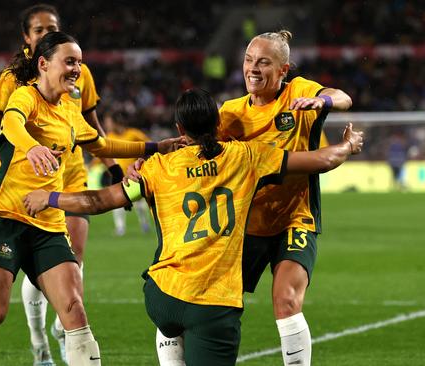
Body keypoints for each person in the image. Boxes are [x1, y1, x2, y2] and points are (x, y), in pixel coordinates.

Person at [23, 88, 362, 366]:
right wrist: (348, 145)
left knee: (170, 321)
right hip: (213, 304)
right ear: (219, 123)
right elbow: (322, 160)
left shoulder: (157, 167)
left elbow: (97, 201)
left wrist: (50, 198)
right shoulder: (245, 157)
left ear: (179, 128)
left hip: (162, 297)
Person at [0, 31, 181, 366]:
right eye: (70, 61)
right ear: (43, 64)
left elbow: (101, 144)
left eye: (80, 63)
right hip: (6, 217)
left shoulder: (69, 109)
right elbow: (11, 123)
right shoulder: (25, 96)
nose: (76, 69)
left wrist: (156, 146)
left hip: (49, 225)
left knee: (74, 312)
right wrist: (32, 147)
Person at [151, 30, 354, 365]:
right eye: (248, 60)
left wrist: (324, 102)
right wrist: (146, 164)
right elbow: (193, 150)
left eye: (264, 62)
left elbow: (342, 96)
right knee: (192, 295)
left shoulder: (299, 93)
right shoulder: (229, 114)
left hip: (294, 219)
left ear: (283, 70)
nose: (253, 68)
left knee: (286, 300)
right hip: (243, 227)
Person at [0, 4, 123, 364]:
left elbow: (92, 127)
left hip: (71, 169)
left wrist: (112, 164)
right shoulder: (14, 80)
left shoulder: (79, 72)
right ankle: (41, 346)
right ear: (27, 38)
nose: (43, 34)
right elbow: (0, 122)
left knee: (73, 264)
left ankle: (65, 328)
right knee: (24, 284)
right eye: (37, 30)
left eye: (50, 28)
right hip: (28, 176)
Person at [103, 110, 151, 236]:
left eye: (109, 122)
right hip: (118, 177)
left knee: (140, 203)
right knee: (117, 203)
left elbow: (149, 144)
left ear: (115, 122)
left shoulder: (133, 134)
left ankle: (145, 224)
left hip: (134, 175)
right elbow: (102, 154)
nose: (107, 124)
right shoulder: (109, 136)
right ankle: (120, 228)